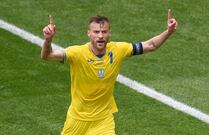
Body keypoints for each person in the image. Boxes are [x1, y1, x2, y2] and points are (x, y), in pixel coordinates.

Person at [41, 9, 178, 135]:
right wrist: (48, 41)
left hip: (103, 120)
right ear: (89, 33)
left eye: (104, 32)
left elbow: (151, 45)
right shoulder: (77, 53)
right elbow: (47, 56)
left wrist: (169, 31)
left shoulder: (118, 50)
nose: (100, 36)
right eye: (96, 32)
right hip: (77, 120)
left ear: (109, 33)